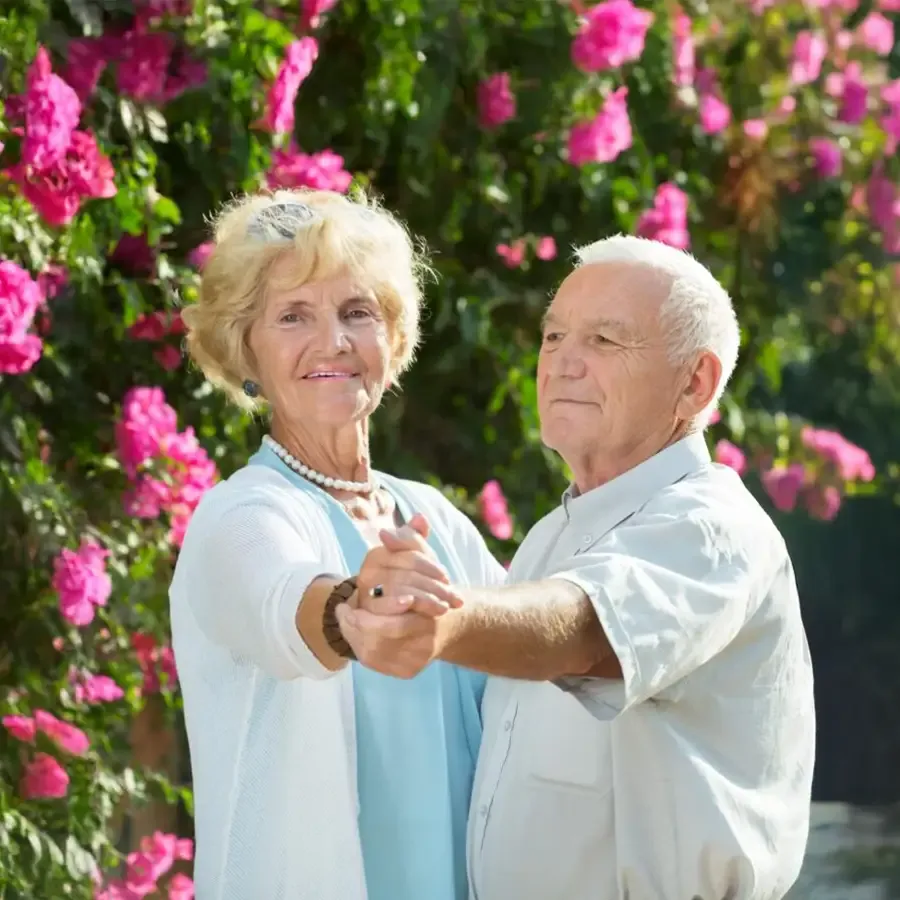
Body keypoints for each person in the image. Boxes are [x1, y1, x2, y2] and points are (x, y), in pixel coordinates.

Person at [340, 235, 816, 900]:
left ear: (694, 383)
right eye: (554, 336)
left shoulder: (713, 528)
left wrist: (442, 621)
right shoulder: (553, 534)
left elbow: (586, 630)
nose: (563, 363)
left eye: (604, 340)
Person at [168, 188, 505, 900]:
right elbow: (286, 603)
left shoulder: (436, 520)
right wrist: (355, 610)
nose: (334, 342)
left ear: (393, 339)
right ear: (245, 349)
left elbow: (524, 677)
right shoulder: (238, 515)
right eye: (294, 316)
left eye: (357, 312)